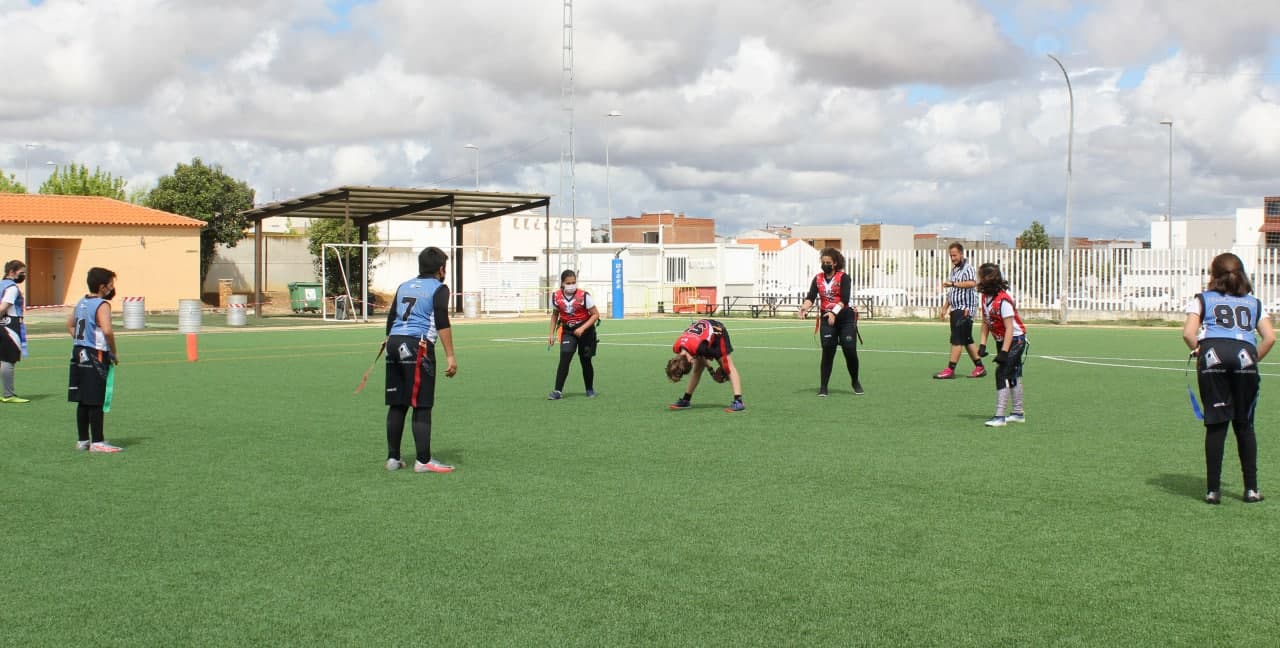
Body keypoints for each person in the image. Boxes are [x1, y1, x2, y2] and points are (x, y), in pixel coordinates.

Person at [1183, 252, 1275, 504]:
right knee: (1244, 424)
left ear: (1213, 275)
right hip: (1245, 353)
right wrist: (1252, 359)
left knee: (1216, 424)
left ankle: (1213, 491)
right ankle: (1251, 490)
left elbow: (1189, 333)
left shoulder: (1203, 299)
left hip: (1214, 353)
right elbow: (1270, 337)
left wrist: (1201, 352)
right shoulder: (1254, 302)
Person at [383, 247, 459, 474]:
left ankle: (393, 458)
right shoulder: (439, 288)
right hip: (418, 346)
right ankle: (423, 460)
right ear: (442, 269)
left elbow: (391, 317)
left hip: (394, 342)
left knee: (398, 403)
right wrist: (450, 355)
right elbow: (442, 321)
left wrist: (390, 342)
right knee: (422, 404)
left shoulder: (404, 285)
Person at [66, 267, 122, 452]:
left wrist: (80, 340)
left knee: (83, 399)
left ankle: (83, 440)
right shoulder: (102, 304)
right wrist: (113, 351)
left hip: (78, 353)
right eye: (110, 285)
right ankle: (98, 441)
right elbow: (107, 330)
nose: (112, 289)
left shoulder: (81, 302)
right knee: (96, 399)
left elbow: (70, 325)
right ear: (102, 287)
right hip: (95, 354)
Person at [798, 248, 862, 396]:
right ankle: (823, 387)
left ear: (835, 263)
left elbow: (844, 299)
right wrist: (804, 307)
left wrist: (834, 312)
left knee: (850, 350)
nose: (825, 264)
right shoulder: (818, 278)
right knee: (827, 350)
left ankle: (855, 381)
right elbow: (811, 297)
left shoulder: (843, 277)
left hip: (845, 317)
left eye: (829, 262)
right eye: (823, 262)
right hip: (827, 319)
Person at [976, 263, 1028, 428]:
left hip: (1015, 340)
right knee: (1013, 373)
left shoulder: (1003, 300)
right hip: (1001, 339)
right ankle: (1018, 413)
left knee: (1001, 373)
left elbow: (1010, 328)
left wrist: (1004, 352)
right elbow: (986, 321)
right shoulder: (985, 297)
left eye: (980, 277)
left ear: (987, 279)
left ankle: (999, 416)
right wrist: (982, 344)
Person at [666, 319, 744, 412]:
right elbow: (700, 356)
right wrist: (711, 371)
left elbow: (704, 356)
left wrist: (719, 371)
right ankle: (686, 400)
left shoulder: (699, 348)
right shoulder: (677, 347)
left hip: (717, 331)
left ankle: (739, 401)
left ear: (690, 360)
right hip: (700, 338)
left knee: (727, 366)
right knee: (697, 369)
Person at [934, 242, 987, 379]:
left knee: (957, 339)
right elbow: (952, 292)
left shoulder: (968, 268)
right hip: (955, 309)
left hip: (965, 309)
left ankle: (950, 369)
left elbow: (971, 283)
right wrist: (945, 308)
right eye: (950, 256)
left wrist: (952, 283)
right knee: (966, 339)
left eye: (954, 255)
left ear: (961, 254)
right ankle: (980, 367)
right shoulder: (954, 271)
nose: (952, 258)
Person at [547, 269, 600, 400]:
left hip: (586, 332)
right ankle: (557, 391)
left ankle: (589, 389)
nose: (571, 285)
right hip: (568, 332)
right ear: (563, 283)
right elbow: (555, 315)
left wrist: (582, 328)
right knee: (564, 359)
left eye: (574, 282)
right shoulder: (556, 297)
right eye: (568, 283)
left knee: (585, 360)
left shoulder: (584, 296)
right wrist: (551, 334)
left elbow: (595, 314)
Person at [0, 260, 29, 403]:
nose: (24, 276)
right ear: (11, 272)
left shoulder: (1, 285)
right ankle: (8, 394)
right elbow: (4, 307)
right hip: (9, 326)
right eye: (21, 273)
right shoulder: (12, 288)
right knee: (8, 360)